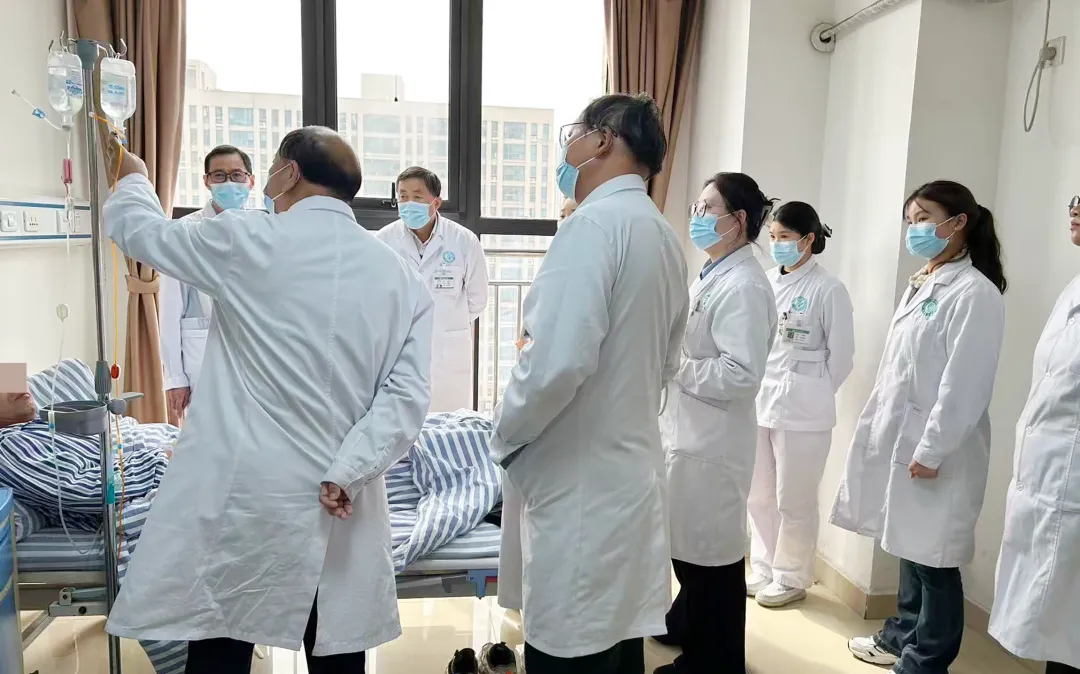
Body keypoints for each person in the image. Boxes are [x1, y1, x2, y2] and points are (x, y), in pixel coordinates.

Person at [98, 124, 434, 673]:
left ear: (288, 173)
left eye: (272, 167)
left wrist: (133, 178)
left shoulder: (245, 239)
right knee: (337, 651)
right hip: (341, 494)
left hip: (250, 493)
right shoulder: (400, 276)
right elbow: (407, 397)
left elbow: (142, 234)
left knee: (223, 635)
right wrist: (348, 471)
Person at [491, 92, 688, 674]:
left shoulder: (592, 226)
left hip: (580, 487)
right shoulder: (661, 234)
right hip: (627, 477)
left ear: (602, 140)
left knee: (572, 648)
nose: (568, 147)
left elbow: (555, 364)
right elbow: (665, 361)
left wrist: (505, 435)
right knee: (618, 646)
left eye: (575, 133)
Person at [833, 180, 1006, 674]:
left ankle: (927, 660)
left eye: (924, 218)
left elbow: (964, 384)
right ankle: (900, 638)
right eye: (910, 220)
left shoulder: (975, 292)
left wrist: (932, 450)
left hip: (940, 451)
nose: (915, 229)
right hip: (905, 440)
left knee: (935, 562)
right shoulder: (927, 281)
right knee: (908, 547)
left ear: (959, 223)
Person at [657, 172, 777, 674]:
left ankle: (714, 662)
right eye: (697, 208)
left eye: (708, 209)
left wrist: (674, 366)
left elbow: (741, 374)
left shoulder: (744, 285)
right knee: (689, 545)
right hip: (692, 433)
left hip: (714, 441)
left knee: (711, 555)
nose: (697, 217)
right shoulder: (714, 273)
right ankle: (685, 622)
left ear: (738, 220)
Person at [988, 195, 1080, 673]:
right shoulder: (1073, 287)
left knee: (1066, 621)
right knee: (1057, 625)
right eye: (1075, 199)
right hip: (1049, 477)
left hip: (1068, 483)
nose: (1075, 209)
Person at [747, 201, 855, 608]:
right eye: (773, 237)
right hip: (760, 401)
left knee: (794, 498)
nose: (777, 244)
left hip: (804, 411)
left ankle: (791, 576)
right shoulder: (765, 281)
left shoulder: (828, 289)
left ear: (808, 239)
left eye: (785, 237)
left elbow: (842, 357)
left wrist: (811, 390)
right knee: (758, 495)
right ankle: (764, 566)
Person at [376, 166, 488, 413]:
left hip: (448, 352)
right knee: (400, 420)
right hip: (398, 350)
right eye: (403, 196)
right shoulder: (383, 241)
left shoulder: (463, 240)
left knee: (447, 422)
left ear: (435, 203)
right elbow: (375, 296)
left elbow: (477, 299)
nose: (408, 203)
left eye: (417, 197)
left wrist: (445, 322)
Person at [159, 145, 255, 422]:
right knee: (206, 432)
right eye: (219, 175)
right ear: (206, 181)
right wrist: (175, 378)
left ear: (250, 181)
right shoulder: (185, 232)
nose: (229, 183)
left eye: (237, 175)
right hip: (201, 357)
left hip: (254, 357)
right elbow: (170, 310)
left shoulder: (262, 228)